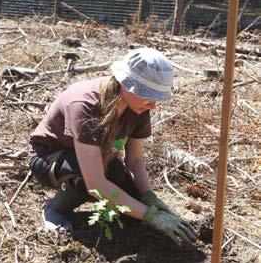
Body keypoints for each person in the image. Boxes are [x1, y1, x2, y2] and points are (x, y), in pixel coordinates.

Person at [28, 48, 197, 246]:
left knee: (119, 179)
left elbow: (134, 160)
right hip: (49, 159)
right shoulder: (85, 105)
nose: (153, 105)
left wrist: (149, 197)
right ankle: (56, 209)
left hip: (96, 158)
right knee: (85, 177)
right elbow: (96, 183)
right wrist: (151, 216)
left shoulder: (138, 106)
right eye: (147, 96)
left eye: (156, 98)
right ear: (125, 83)